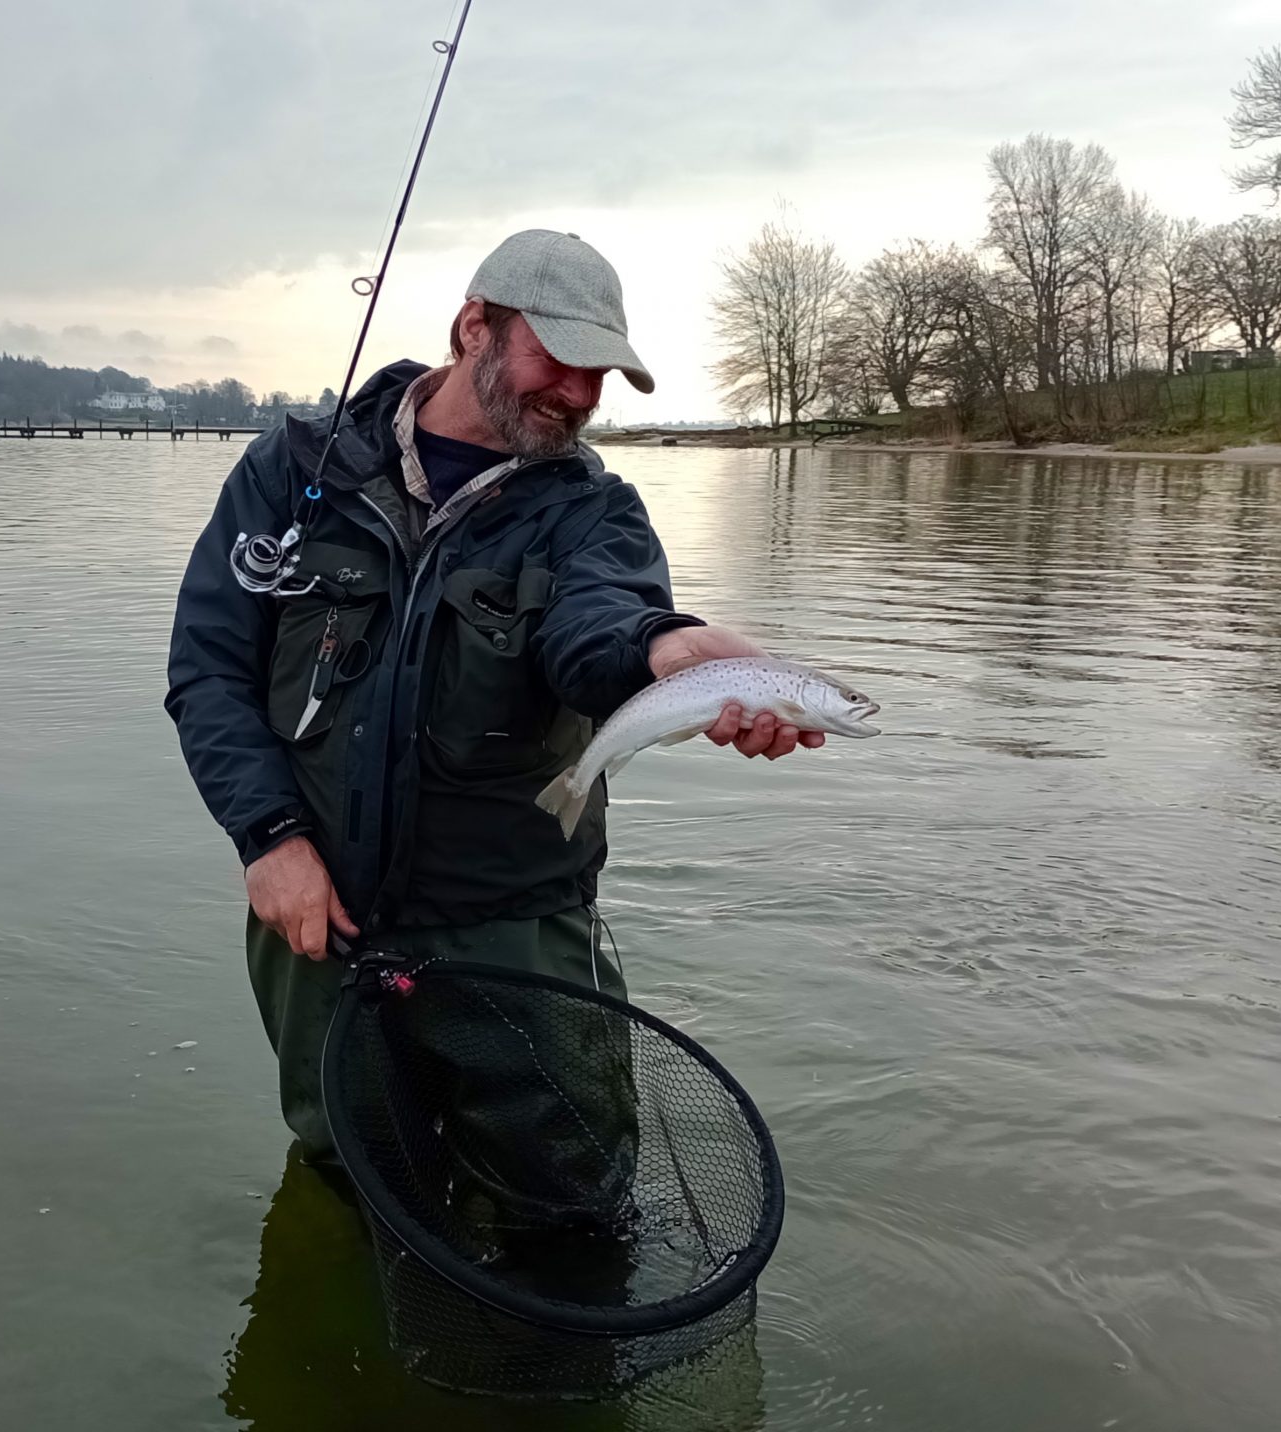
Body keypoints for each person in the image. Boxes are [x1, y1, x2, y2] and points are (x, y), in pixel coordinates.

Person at [166, 229, 824, 1160]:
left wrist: (666, 648)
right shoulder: (293, 472)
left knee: (569, 1206)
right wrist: (267, 839)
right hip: (317, 919)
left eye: (602, 375)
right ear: (474, 326)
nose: (581, 394)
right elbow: (207, 669)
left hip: (518, 936)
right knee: (351, 1175)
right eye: (559, 359)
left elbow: (598, 630)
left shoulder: (594, 512)